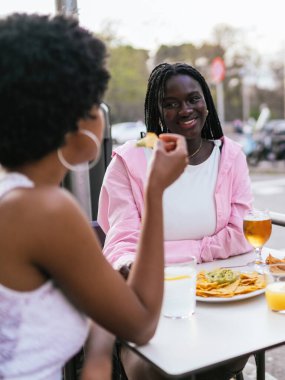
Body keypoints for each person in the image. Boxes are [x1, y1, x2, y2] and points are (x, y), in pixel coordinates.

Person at [0, 15, 188, 380]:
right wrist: (155, 190)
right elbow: (143, 323)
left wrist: (100, 330)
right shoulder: (45, 211)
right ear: (81, 120)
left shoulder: (15, 201)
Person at [98, 62, 253, 379]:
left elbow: (242, 232)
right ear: (157, 112)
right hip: (150, 303)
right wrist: (132, 263)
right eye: (171, 103)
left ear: (206, 103)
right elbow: (122, 244)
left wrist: (167, 255)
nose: (185, 110)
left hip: (217, 299)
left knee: (231, 358)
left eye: (193, 98)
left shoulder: (231, 156)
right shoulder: (130, 160)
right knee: (154, 372)